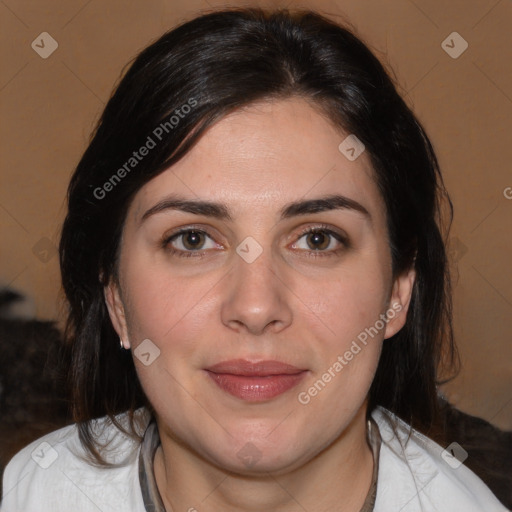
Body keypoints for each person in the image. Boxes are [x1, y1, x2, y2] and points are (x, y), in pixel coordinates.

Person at [0, 7, 508, 512]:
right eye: (193, 239)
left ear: (398, 291)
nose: (257, 306)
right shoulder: (33, 495)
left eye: (317, 240)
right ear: (115, 297)